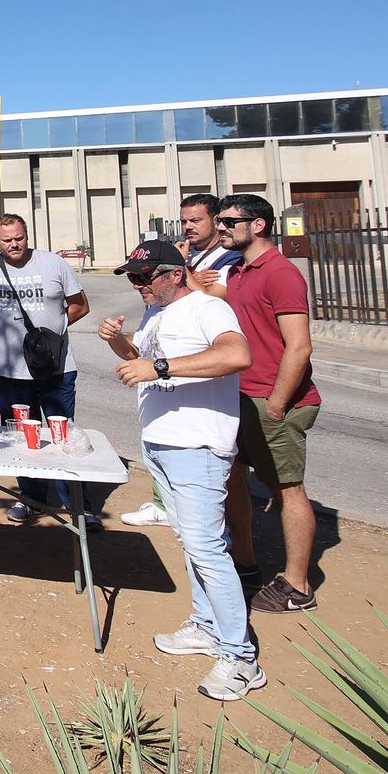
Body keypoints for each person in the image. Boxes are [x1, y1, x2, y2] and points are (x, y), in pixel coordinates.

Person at [99, 239, 263, 700]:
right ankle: (207, 625)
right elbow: (141, 360)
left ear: (174, 273)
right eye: (132, 278)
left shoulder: (208, 310)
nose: (137, 287)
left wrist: (162, 368)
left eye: (144, 277)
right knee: (191, 542)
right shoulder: (159, 313)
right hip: (163, 443)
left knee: (209, 548)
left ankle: (240, 657)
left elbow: (237, 356)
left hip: (198, 445)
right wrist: (119, 342)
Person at [218, 193, 323, 613]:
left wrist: (277, 403)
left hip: (271, 400)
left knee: (287, 490)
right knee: (232, 479)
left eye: (228, 221)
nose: (220, 226)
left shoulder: (281, 273)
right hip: (239, 396)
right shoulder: (239, 270)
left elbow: (299, 347)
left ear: (257, 225)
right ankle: (245, 564)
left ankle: (298, 585)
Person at [122, 194, 244, 528]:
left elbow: (216, 301)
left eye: (197, 220)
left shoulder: (228, 258)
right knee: (192, 536)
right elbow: (142, 352)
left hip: (203, 428)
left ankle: (241, 558)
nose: (188, 227)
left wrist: (184, 268)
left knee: (206, 539)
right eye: (185, 220)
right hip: (163, 432)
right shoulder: (161, 303)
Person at [0, 214, 95, 526]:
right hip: (9, 372)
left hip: (56, 369)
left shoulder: (53, 264)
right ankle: (32, 499)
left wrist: (50, 338)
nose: (14, 244)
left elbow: (79, 304)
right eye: (7, 240)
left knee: (63, 435)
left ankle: (77, 506)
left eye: (19, 238)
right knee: (21, 438)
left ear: (27, 235)